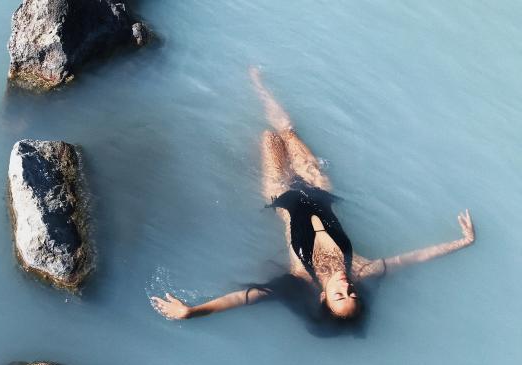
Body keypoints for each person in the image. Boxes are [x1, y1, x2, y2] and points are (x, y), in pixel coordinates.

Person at [151, 68, 475, 321]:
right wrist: (463, 242)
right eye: (353, 296)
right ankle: (259, 83)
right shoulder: (362, 269)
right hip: (320, 191)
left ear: (323, 297)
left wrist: (193, 310)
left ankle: (253, 87)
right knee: (288, 132)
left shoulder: (301, 277)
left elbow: (247, 297)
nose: (347, 290)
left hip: (283, 196)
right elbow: (415, 257)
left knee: (269, 139)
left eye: (339, 297)